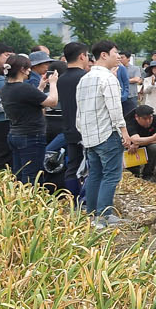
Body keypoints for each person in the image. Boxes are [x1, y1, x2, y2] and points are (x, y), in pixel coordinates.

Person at [76, 40, 129, 226]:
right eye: (115, 53)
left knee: (95, 175)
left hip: (90, 136)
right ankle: (104, 215)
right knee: (111, 176)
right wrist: (124, 132)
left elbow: (80, 111)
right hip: (107, 134)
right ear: (104, 55)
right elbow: (115, 109)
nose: (119, 56)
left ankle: (92, 214)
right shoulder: (108, 79)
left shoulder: (85, 79)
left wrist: (83, 132)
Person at [1, 53, 59, 183]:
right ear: (22, 69)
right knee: (33, 176)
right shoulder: (24, 88)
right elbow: (53, 102)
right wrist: (53, 83)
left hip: (15, 134)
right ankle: (32, 196)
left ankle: (18, 195)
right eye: (28, 68)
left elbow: (30, 101)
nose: (29, 71)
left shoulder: (6, 88)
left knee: (19, 173)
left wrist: (40, 87)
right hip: (31, 136)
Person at [55, 42, 90, 202]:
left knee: (73, 166)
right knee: (89, 167)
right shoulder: (85, 77)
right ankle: (85, 201)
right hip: (85, 129)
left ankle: (73, 200)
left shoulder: (61, 79)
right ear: (82, 56)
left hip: (69, 127)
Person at [125, 104, 156, 176]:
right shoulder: (129, 121)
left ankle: (148, 174)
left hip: (148, 143)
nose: (148, 121)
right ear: (137, 117)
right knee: (129, 148)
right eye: (144, 119)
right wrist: (153, 138)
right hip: (131, 145)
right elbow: (135, 140)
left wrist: (139, 142)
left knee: (155, 148)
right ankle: (134, 173)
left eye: (150, 118)